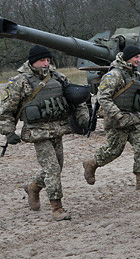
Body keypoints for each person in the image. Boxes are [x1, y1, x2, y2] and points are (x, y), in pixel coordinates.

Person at [1, 45, 90, 221]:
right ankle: (57, 207)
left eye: (48, 60)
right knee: (53, 169)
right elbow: (6, 110)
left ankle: (33, 187)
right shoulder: (20, 82)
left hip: (58, 129)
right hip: (37, 132)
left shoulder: (58, 77)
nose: (45, 64)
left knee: (57, 167)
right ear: (32, 61)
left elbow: (77, 100)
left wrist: (83, 118)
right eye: (42, 60)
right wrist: (8, 132)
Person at [83, 45, 140, 190]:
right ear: (128, 58)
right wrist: (117, 115)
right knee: (114, 151)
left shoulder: (136, 75)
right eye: (136, 57)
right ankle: (92, 163)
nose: (139, 60)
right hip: (117, 121)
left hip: (134, 118)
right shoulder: (114, 75)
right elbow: (103, 97)